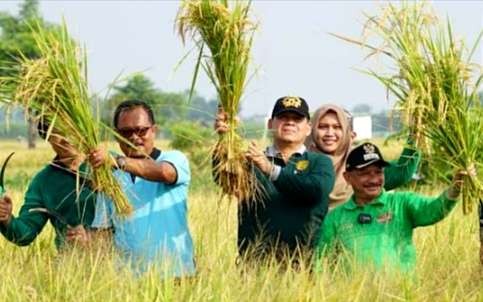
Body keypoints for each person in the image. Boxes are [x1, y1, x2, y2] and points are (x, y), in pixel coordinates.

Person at [315, 142, 469, 272]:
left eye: (378, 172)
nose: (374, 179)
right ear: (347, 177)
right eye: (365, 173)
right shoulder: (335, 218)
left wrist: (455, 188)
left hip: (401, 294)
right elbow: (321, 264)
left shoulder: (402, 203)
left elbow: (434, 210)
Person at [214, 96, 335, 260]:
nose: (290, 122)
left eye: (297, 119)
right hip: (256, 266)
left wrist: (269, 169)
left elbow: (316, 190)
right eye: (283, 117)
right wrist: (224, 140)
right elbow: (225, 180)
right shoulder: (250, 161)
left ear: (308, 128)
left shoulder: (319, 162)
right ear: (270, 124)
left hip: (306, 267)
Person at [89, 99, 195, 277]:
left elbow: (165, 173)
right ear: (117, 135)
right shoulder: (109, 177)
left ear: (154, 130)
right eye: (126, 132)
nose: (134, 137)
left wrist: (117, 161)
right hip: (128, 282)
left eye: (141, 130)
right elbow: (103, 232)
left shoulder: (174, 159)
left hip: (176, 276)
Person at [0, 121, 95, 249]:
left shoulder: (110, 164)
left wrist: (95, 238)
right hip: (73, 261)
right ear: (47, 136)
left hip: (124, 259)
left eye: (71, 130)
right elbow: (25, 233)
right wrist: (7, 219)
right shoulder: (44, 182)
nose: (66, 139)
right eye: (58, 133)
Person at [305, 104, 421, 209]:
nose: (330, 133)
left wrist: (418, 130)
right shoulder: (301, 163)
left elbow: (402, 171)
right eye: (323, 127)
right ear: (313, 129)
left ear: (346, 132)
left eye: (337, 127)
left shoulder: (359, 161)